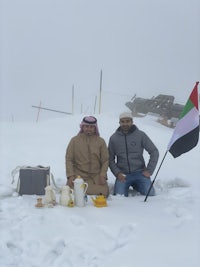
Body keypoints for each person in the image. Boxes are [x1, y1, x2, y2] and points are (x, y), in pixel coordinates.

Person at [108, 112, 159, 197]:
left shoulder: (140, 135)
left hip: (140, 173)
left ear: (132, 122)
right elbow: (110, 158)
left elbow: (154, 151)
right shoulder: (114, 138)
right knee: (119, 195)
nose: (125, 124)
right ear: (119, 123)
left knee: (150, 193)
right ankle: (129, 184)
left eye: (127, 121)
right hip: (123, 175)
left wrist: (149, 170)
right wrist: (117, 173)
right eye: (122, 121)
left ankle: (136, 184)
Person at [65, 116, 109, 197]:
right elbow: (69, 159)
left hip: (95, 176)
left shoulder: (100, 142)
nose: (89, 129)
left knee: (104, 192)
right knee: (68, 190)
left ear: (95, 128)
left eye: (92, 127)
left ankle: (81, 190)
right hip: (78, 176)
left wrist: (102, 175)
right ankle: (81, 189)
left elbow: (105, 161)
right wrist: (70, 176)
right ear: (82, 127)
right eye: (87, 126)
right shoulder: (74, 140)